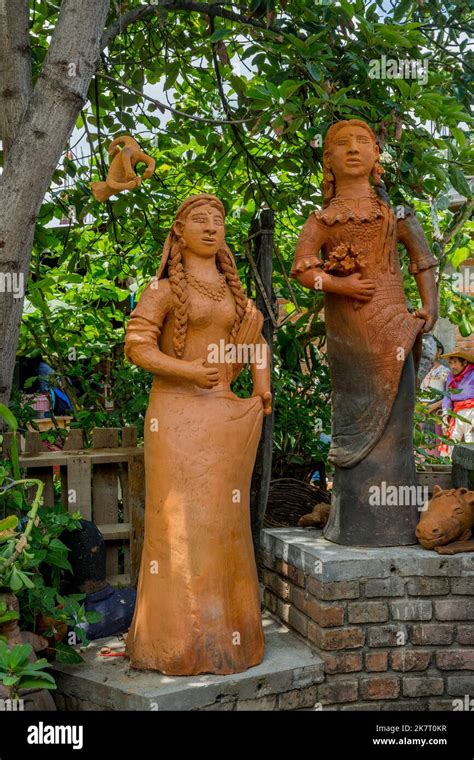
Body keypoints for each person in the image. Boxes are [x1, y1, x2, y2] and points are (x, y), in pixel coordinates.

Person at [124, 194, 271, 675]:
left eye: (218, 220)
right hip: (175, 416)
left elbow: (258, 341)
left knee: (223, 525)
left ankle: (230, 640)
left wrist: (262, 388)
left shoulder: (232, 293)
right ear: (179, 231)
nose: (211, 227)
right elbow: (137, 346)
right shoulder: (163, 290)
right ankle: (172, 644)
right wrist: (187, 371)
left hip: (223, 415)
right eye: (200, 220)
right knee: (179, 526)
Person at [291, 119, 438, 546]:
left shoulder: (397, 213)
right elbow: (303, 269)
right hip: (349, 333)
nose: (353, 149)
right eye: (342, 143)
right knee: (351, 414)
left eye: (363, 142)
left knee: (396, 421)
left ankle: (393, 525)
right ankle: (353, 525)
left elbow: (422, 260)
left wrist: (431, 306)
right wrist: (339, 285)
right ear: (328, 161)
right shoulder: (321, 219)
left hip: (394, 322)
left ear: (377, 156)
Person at [439, 350, 474, 454]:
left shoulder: (473, 374)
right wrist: (445, 415)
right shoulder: (450, 376)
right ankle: (450, 468)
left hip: (472, 412)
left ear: (464, 363)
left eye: (455, 362)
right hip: (456, 413)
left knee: (471, 440)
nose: (452, 366)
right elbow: (447, 397)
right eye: (450, 363)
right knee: (451, 442)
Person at [419, 338, 449, 456]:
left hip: (435, 415)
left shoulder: (445, 372)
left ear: (439, 351)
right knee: (421, 449)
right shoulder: (424, 372)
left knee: (433, 450)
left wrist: (433, 406)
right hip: (421, 414)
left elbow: (449, 396)